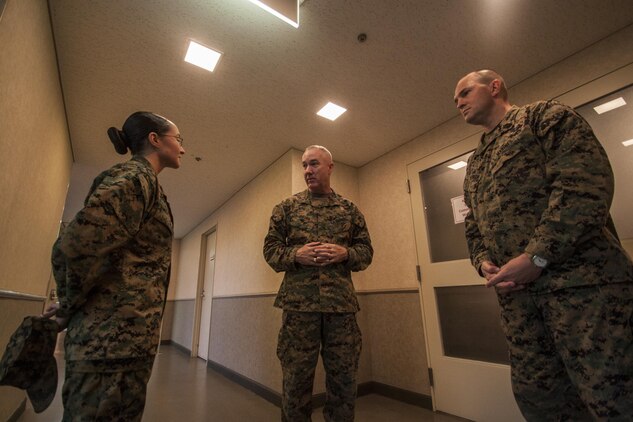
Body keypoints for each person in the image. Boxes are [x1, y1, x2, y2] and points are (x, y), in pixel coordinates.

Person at [455, 69, 633, 420]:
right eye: (455, 99)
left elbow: (584, 187)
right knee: (541, 400)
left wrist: (536, 257)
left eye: (463, 92)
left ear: (494, 87)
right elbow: (473, 224)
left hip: (583, 292)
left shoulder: (544, 118)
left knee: (613, 398)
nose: (457, 102)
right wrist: (482, 261)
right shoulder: (475, 164)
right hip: (520, 306)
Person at [46, 111, 185, 421]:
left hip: (124, 348)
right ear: (154, 139)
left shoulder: (147, 184)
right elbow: (76, 246)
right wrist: (69, 304)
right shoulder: (134, 179)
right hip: (109, 350)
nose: (183, 148)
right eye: (178, 139)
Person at [263, 145, 373, 422]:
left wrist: (346, 253)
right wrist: (295, 254)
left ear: (329, 167)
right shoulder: (286, 208)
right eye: (304, 165)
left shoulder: (349, 210)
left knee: (344, 380)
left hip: (341, 308)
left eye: (313, 164)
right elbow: (270, 251)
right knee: (296, 379)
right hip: (299, 308)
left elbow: (366, 253)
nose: (308, 171)